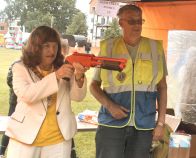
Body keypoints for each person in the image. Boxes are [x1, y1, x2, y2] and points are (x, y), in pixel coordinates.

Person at [90, 4, 167, 158]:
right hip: (111, 123)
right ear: (121, 23)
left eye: (140, 21)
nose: (137, 25)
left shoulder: (155, 48)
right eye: (132, 21)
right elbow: (93, 86)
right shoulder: (108, 47)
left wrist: (160, 123)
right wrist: (110, 106)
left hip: (144, 124)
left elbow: (162, 87)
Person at [5, 25, 88, 158]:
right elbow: (27, 95)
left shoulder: (64, 67)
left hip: (58, 139)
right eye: (46, 46)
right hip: (25, 138)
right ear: (35, 47)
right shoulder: (20, 68)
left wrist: (79, 77)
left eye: (55, 46)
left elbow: (77, 97)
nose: (52, 51)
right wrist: (55, 76)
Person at [0, 60, 19, 158]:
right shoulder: (16, 64)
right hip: (15, 101)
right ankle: (1, 152)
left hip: (27, 104)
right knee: (10, 126)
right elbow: (9, 81)